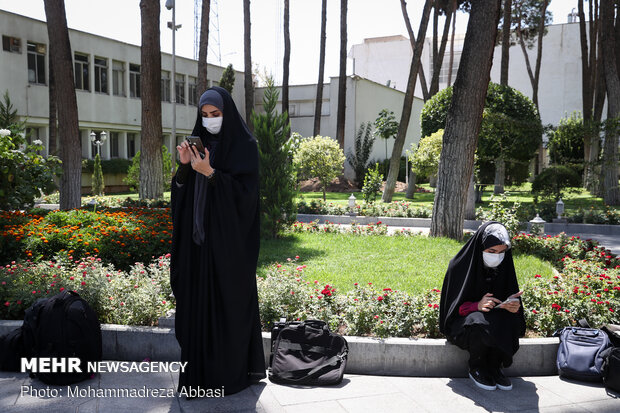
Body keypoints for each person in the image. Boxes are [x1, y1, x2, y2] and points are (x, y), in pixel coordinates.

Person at [170, 87, 266, 396]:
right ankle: (198, 379)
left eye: (216, 115)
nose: (210, 120)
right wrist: (185, 166)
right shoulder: (199, 144)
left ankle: (229, 378)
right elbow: (181, 200)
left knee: (229, 310)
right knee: (197, 313)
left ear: (227, 113)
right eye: (205, 115)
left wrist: (210, 173)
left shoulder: (244, 147)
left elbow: (246, 200)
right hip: (198, 249)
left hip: (228, 251)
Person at [439, 221, 525, 391]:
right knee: (479, 321)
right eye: (491, 252)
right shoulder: (459, 266)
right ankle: (476, 366)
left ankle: (495, 366)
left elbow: (508, 295)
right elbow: (453, 309)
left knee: (510, 319)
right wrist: (476, 306)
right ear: (480, 247)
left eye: (502, 252)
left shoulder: (504, 266)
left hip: (494, 316)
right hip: (463, 323)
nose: (497, 256)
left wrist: (513, 306)